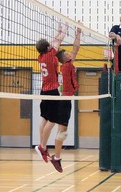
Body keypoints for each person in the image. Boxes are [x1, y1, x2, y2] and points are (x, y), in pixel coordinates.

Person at [35, 22, 68, 173]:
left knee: (44, 118)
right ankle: (42, 146)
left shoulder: (41, 57)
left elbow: (53, 42)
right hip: (52, 91)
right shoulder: (49, 56)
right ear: (48, 49)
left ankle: (41, 145)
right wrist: (65, 30)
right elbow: (58, 41)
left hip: (44, 90)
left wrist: (57, 31)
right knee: (53, 120)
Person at [49, 24, 81, 172]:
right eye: (68, 54)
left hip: (66, 100)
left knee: (63, 130)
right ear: (65, 57)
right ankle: (56, 157)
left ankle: (56, 156)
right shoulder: (67, 65)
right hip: (65, 100)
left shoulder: (66, 66)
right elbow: (76, 49)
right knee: (61, 130)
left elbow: (74, 50)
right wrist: (77, 33)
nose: (70, 54)